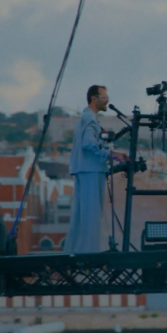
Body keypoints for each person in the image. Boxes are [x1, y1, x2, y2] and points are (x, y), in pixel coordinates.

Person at [64, 85, 126, 253]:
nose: (107, 100)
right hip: (91, 170)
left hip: (86, 170)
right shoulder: (90, 118)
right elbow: (89, 144)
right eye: (104, 97)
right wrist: (112, 155)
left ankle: (77, 252)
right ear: (94, 98)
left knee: (83, 216)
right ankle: (88, 254)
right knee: (91, 216)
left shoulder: (86, 118)